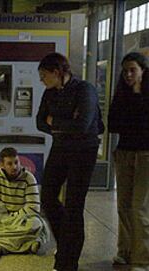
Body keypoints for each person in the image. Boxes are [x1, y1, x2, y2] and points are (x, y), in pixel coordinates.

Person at [36, 52, 104, 271]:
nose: (41, 80)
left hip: (84, 151)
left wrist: (54, 120)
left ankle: (67, 262)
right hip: (61, 147)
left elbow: (83, 124)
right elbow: (39, 122)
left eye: (44, 75)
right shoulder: (49, 94)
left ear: (57, 72)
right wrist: (66, 122)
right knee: (47, 196)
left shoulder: (85, 90)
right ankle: (67, 241)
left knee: (74, 205)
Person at [108, 52, 149, 271]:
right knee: (123, 205)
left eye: (133, 69)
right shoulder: (122, 94)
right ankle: (124, 251)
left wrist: (134, 108)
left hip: (146, 155)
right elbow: (113, 123)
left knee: (138, 207)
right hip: (124, 152)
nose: (128, 74)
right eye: (125, 71)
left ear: (143, 71)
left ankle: (142, 258)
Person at [0, 147, 44, 261]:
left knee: (36, 224)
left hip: (22, 219)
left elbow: (33, 207)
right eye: (10, 164)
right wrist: (5, 217)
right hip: (2, 217)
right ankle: (27, 244)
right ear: (2, 165)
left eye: (16, 162)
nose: (14, 167)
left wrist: (13, 218)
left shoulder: (29, 178)